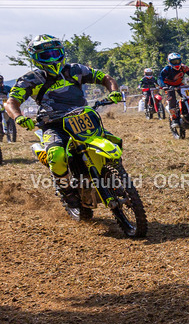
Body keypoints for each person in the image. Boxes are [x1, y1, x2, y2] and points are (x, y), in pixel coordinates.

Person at [3, 35, 122, 208]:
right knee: (57, 155)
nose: (52, 59)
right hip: (53, 124)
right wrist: (19, 117)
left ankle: (113, 176)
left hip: (83, 117)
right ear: (36, 59)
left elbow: (105, 78)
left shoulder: (75, 70)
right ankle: (67, 192)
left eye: (55, 53)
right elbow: (11, 101)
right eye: (46, 56)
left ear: (62, 53)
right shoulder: (30, 79)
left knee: (114, 142)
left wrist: (114, 91)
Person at [158, 52, 189, 130]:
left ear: (180, 60)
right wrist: (164, 86)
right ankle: (174, 119)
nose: (176, 63)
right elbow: (160, 78)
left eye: (177, 61)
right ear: (169, 62)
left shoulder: (184, 67)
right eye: (173, 62)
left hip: (179, 84)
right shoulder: (166, 69)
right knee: (172, 100)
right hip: (169, 86)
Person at [0, 74, 13, 142]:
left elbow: (12, 92)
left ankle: (10, 129)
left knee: (10, 115)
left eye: (1, 81)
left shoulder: (6, 88)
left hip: (5, 104)